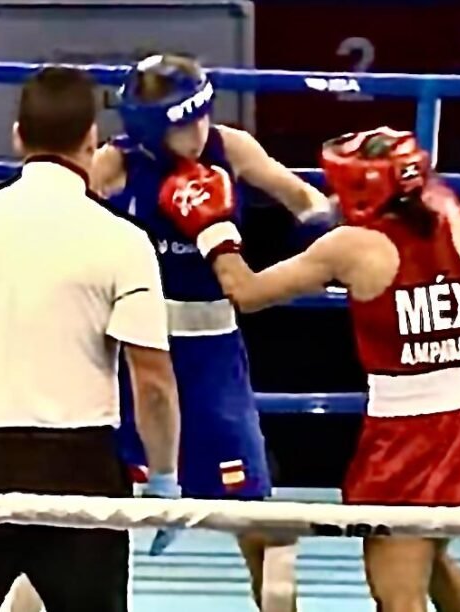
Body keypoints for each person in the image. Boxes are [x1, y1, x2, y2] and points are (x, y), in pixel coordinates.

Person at [156, 126, 460, 612]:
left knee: (396, 594)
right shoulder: (458, 228)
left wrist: (214, 229)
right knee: (429, 554)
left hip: (407, 439)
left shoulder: (353, 247)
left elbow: (248, 293)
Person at [0, 66, 180, 612]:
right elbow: (153, 381)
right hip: (79, 466)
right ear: (92, 139)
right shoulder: (123, 240)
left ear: (17, 136)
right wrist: (164, 473)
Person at [91, 53, 331, 609]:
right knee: (92, 513)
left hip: (214, 355)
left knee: (257, 521)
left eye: (202, 116)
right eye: (182, 124)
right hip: (133, 354)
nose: (198, 132)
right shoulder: (114, 165)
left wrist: (318, 242)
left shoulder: (232, 147)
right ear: (150, 128)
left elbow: (305, 199)